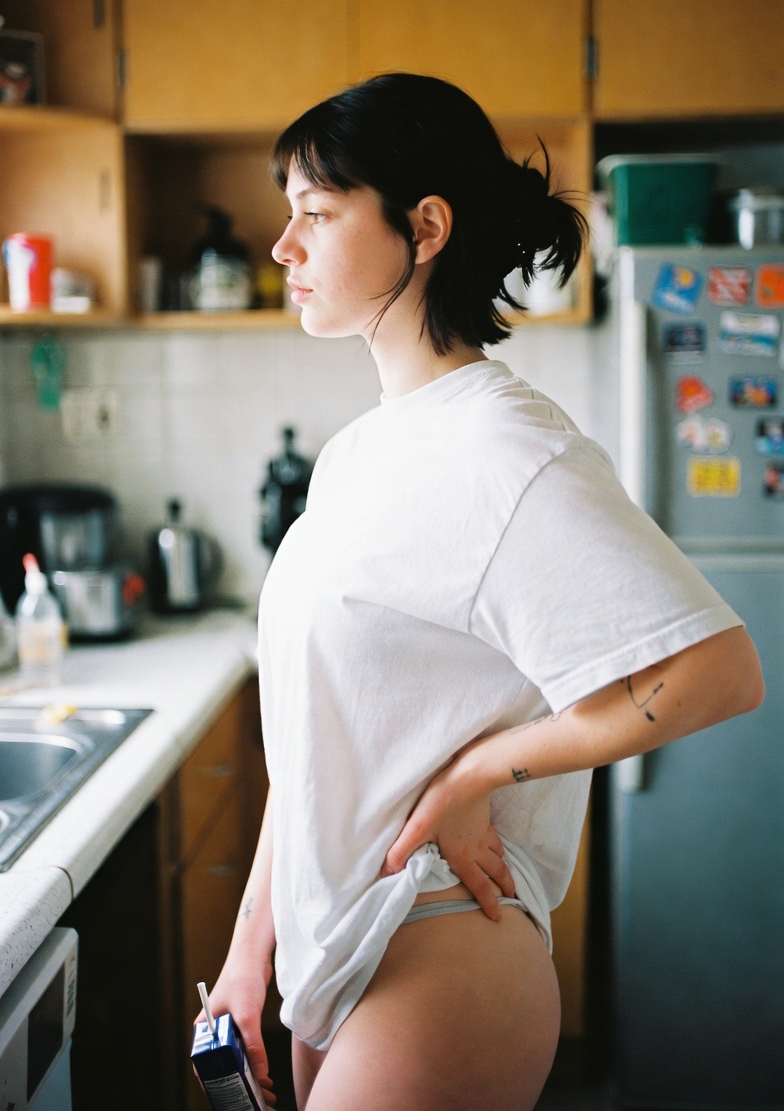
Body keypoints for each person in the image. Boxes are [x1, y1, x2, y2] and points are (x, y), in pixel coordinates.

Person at [202, 73, 764, 1111]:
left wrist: (476, 773)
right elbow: (320, 733)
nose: (282, 247)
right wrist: (249, 956)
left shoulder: (508, 448)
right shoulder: (357, 453)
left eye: (316, 214)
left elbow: (718, 673)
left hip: (440, 943)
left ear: (424, 228)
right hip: (331, 951)